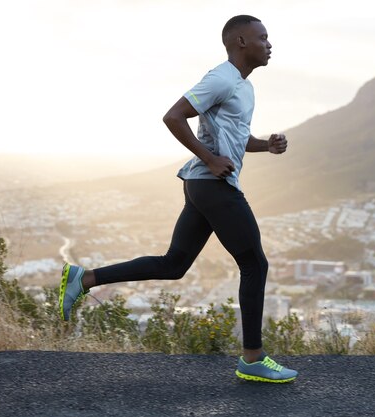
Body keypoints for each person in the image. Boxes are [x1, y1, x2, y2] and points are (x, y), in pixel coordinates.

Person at [59, 14, 298, 383]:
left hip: (204, 185)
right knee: (255, 264)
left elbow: (236, 137)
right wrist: (209, 158)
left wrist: (267, 145)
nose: (270, 44)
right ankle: (252, 358)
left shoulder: (244, 87)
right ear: (240, 42)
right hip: (211, 184)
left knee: (174, 264)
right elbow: (174, 116)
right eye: (263, 37)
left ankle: (84, 278)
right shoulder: (221, 77)